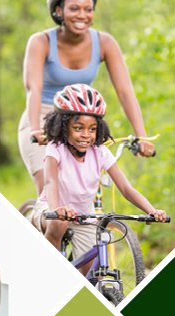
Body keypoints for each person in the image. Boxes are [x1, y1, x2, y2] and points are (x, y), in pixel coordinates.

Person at [19, 0, 155, 195]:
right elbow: (34, 89)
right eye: (74, 8)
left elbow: (125, 92)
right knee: (50, 194)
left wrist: (141, 136)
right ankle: (38, 221)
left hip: (83, 122)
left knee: (86, 193)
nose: (82, 15)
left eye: (88, 9)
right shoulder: (41, 42)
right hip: (44, 116)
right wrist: (35, 129)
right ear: (59, 10)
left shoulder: (104, 43)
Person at [32, 84, 167, 275]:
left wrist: (152, 210)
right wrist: (57, 209)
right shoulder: (56, 148)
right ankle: (50, 272)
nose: (86, 135)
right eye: (78, 128)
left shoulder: (100, 153)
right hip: (51, 210)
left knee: (90, 276)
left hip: (83, 217)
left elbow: (126, 189)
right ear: (63, 127)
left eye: (92, 129)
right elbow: (50, 182)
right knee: (58, 224)